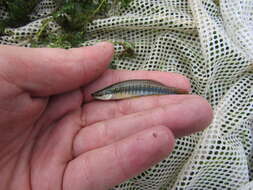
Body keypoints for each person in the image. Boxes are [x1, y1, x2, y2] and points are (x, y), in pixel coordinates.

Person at [0, 42, 212, 190]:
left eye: (102, 95)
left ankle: (179, 93)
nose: (102, 97)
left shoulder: (113, 93)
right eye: (102, 95)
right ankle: (180, 94)